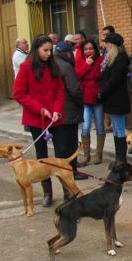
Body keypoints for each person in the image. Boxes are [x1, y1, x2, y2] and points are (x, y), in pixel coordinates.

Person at [13, 35, 66, 207]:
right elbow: (19, 93)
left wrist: (57, 109)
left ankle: (68, 191)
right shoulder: (26, 67)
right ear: (36, 50)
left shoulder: (53, 66)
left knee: (61, 155)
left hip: (55, 119)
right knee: (41, 156)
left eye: (50, 50)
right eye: (45, 50)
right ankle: (47, 192)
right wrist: (39, 109)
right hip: (36, 119)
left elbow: (60, 90)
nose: (49, 54)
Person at [53, 40, 86, 186]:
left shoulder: (52, 64)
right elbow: (74, 89)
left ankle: (61, 170)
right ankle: (72, 171)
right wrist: (81, 102)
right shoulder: (66, 66)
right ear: (66, 53)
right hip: (68, 109)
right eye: (71, 52)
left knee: (60, 145)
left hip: (56, 110)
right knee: (71, 143)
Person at [98, 32, 130, 162]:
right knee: (116, 130)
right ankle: (119, 158)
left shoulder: (120, 59)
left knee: (120, 129)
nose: (104, 46)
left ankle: (122, 159)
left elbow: (114, 81)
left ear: (111, 45)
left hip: (117, 99)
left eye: (106, 43)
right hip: (111, 99)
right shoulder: (111, 59)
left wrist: (102, 92)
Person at [75, 39, 105, 166]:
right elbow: (77, 75)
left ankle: (98, 155)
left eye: (90, 48)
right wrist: (87, 65)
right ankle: (86, 155)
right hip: (85, 98)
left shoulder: (101, 59)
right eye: (86, 49)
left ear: (95, 49)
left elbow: (98, 75)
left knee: (99, 125)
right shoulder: (80, 60)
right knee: (85, 127)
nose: (88, 51)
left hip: (97, 97)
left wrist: (88, 72)